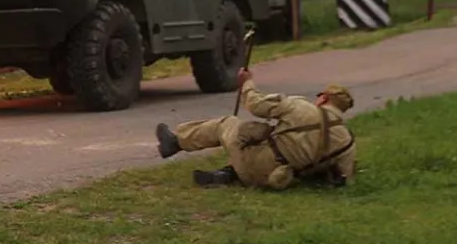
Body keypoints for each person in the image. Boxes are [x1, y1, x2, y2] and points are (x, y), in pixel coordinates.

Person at [153, 68, 356, 189]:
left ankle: (176, 142)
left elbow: (255, 105)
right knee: (263, 133)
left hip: (257, 165)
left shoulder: (301, 107)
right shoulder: (347, 142)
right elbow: (344, 177)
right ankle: (226, 175)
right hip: (283, 178)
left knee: (228, 124)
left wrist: (247, 83)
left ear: (324, 98)